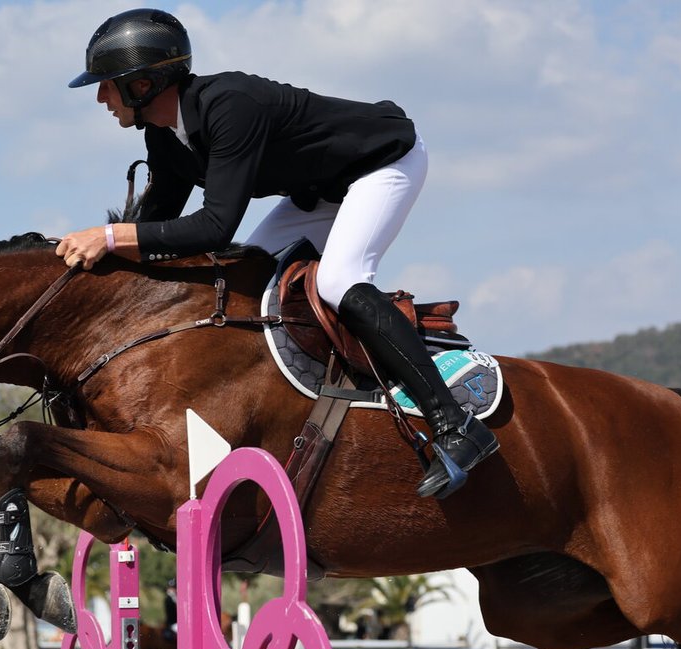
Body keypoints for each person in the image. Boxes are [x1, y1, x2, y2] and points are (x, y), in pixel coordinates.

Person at [56, 8, 497, 498]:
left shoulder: (229, 105)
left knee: (338, 281)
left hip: (383, 164)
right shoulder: (164, 134)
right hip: (321, 190)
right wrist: (96, 261)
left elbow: (214, 225)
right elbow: (157, 226)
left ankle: (456, 425)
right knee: (243, 276)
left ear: (143, 85)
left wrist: (110, 237)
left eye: (107, 84)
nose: (100, 96)